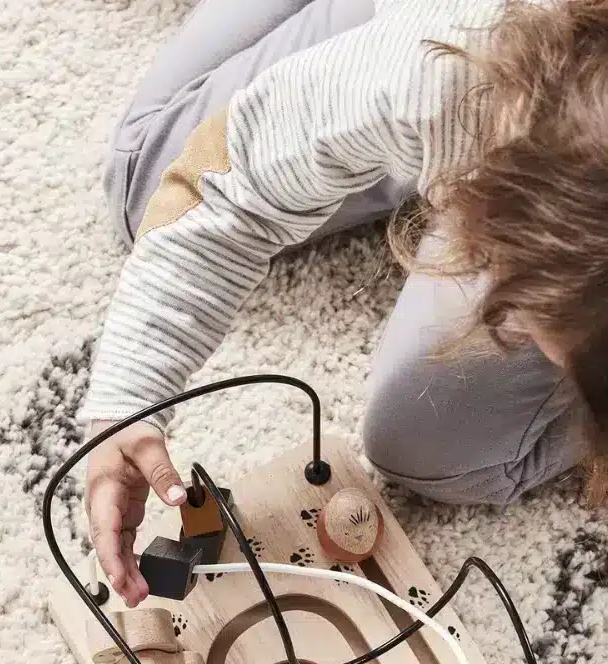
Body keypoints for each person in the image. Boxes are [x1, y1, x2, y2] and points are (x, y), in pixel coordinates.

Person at [81, 0, 608, 608]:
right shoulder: (446, 76)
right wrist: (128, 404)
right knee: (146, 184)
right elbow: (231, 190)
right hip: (473, 69)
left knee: (438, 446)